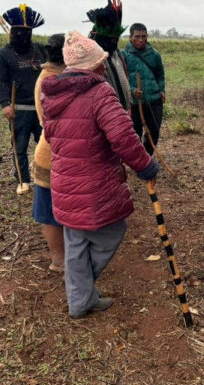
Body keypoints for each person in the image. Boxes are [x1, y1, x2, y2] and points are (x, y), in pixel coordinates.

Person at [41, 30, 159, 319]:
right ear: (92, 67)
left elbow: (52, 135)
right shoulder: (99, 92)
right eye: (101, 63)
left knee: (76, 240)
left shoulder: (51, 93)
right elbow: (123, 137)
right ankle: (80, 293)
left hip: (65, 181)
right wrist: (145, 166)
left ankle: (80, 298)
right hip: (92, 182)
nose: (105, 67)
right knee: (111, 231)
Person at [0, 4, 48, 195]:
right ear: (12, 32)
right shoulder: (3, 55)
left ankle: (47, 176)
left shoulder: (40, 50)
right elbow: (0, 81)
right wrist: (5, 104)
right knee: (20, 146)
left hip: (42, 108)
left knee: (46, 144)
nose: (23, 36)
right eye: (19, 32)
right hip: (20, 108)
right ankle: (23, 179)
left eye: (27, 32)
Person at [31, 33, 66, 272]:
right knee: (50, 211)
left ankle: (61, 258)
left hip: (49, 150)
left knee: (52, 209)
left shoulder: (48, 76)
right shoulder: (55, 81)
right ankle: (59, 260)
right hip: (54, 154)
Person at [121, 23, 166, 155]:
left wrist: (161, 90)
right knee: (135, 132)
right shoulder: (123, 56)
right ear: (130, 38)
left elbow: (160, 74)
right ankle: (139, 159)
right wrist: (132, 90)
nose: (141, 40)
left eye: (144, 36)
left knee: (154, 131)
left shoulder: (155, 54)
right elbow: (121, 78)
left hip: (154, 100)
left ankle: (147, 157)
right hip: (134, 103)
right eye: (137, 36)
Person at [85, 0, 132, 111]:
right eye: (109, 39)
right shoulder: (91, 58)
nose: (113, 42)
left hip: (123, 111)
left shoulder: (117, 53)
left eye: (115, 39)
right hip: (106, 115)